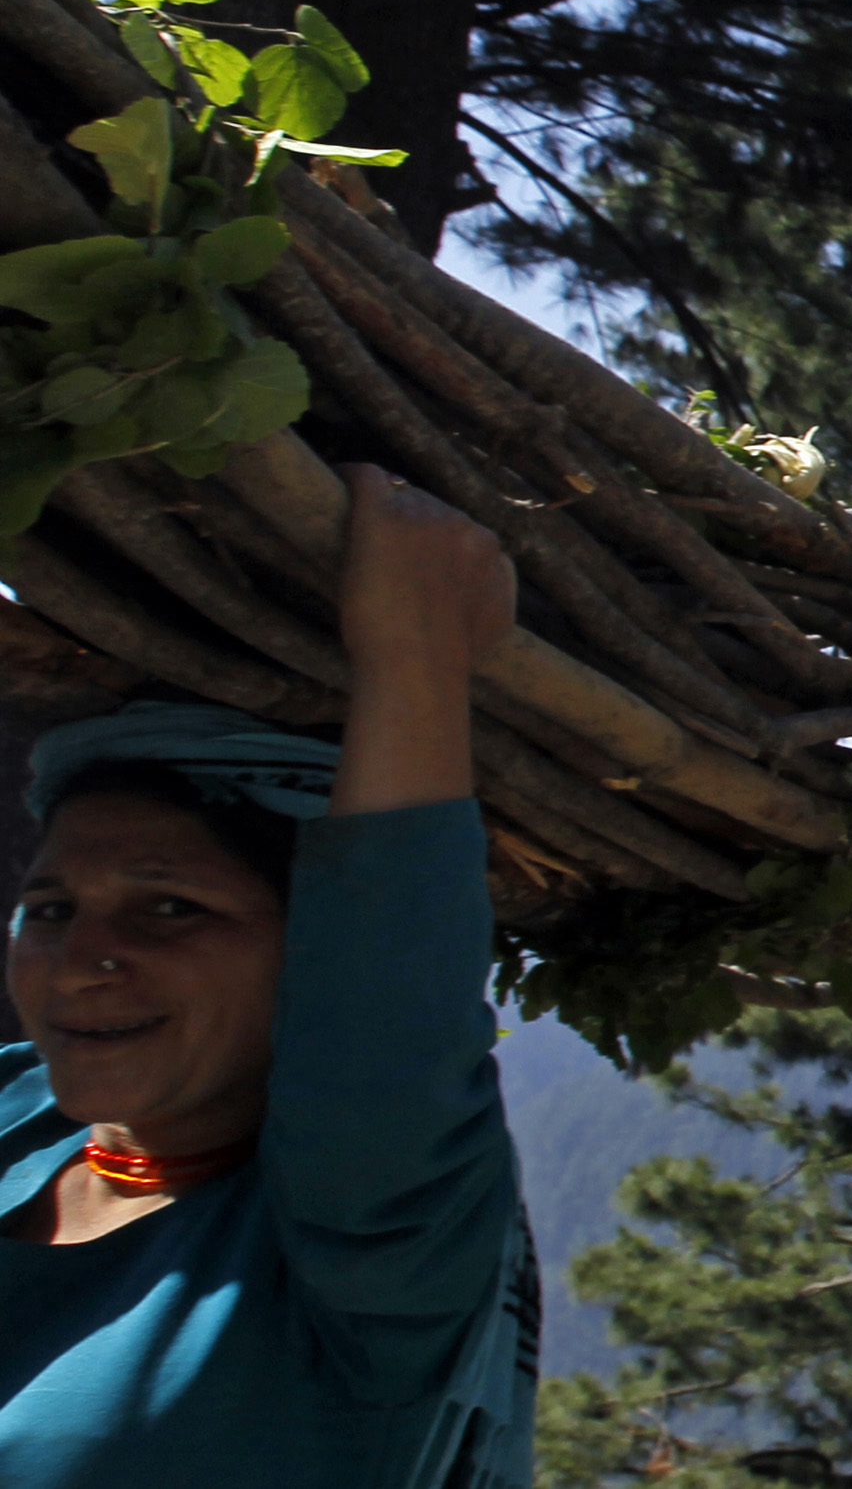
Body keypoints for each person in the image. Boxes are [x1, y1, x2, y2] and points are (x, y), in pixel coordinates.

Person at [0, 465, 537, 1489]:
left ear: (312, 949)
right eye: (53, 907)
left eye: (171, 907)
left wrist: (414, 649)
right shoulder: (17, 1116)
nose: (81, 959)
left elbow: (388, 1016)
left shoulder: (375, 1246)